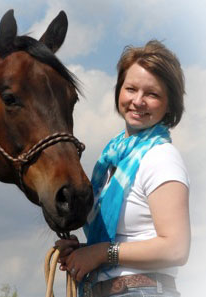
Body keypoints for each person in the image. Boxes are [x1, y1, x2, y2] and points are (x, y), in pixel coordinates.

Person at [55, 40, 190, 297]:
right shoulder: (110, 162)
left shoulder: (160, 157)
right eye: (131, 89)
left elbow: (176, 248)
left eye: (152, 94)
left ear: (169, 104)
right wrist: (83, 252)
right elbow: (130, 241)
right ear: (119, 91)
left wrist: (100, 253)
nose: (137, 101)